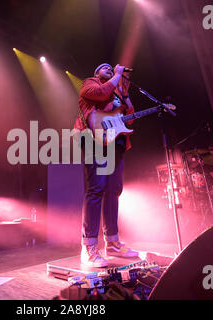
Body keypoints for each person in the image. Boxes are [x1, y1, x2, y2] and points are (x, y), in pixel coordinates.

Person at [74, 63, 139, 268]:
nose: (110, 70)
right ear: (96, 73)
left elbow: (130, 114)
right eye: (105, 68)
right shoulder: (89, 84)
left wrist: (125, 94)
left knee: (113, 190)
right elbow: (100, 94)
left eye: (112, 69)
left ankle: (112, 242)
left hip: (116, 143)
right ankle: (89, 247)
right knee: (96, 189)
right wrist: (117, 75)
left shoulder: (117, 91)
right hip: (95, 139)